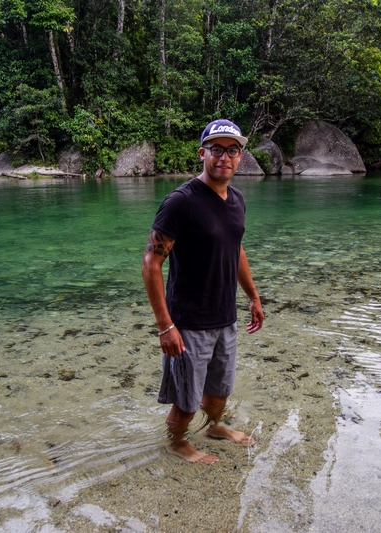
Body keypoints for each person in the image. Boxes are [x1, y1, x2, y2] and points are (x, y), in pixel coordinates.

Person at [141, 119, 265, 464]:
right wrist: (165, 325)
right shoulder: (181, 202)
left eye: (232, 150)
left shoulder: (237, 199)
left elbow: (236, 249)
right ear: (202, 153)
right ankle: (177, 442)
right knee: (187, 399)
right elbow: (151, 263)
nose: (225, 157)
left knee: (220, 390)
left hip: (225, 316)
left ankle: (214, 426)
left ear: (240, 156)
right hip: (189, 321)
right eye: (216, 149)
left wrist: (253, 297)